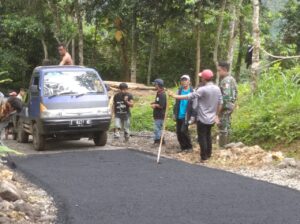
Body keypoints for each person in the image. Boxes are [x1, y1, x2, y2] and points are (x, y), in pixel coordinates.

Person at [169, 70, 223, 162]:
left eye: (201, 77)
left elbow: (189, 96)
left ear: (204, 79)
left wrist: (174, 96)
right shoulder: (217, 88)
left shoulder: (202, 89)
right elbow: (221, 103)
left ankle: (203, 157)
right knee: (208, 136)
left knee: (202, 138)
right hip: (212, 118)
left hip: (202, 118)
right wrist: (216, 115)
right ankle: (209, 154)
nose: (201, 78)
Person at [217, 61, 238, 147]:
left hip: (225, 107)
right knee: (227, 126)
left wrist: (219, 110)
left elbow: (225, 97)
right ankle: (228, 146)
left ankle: (223, 147)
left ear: (224, 69)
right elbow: (236, 93)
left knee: (223, 128)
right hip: (230, 106)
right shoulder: (232, 79)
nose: (218, 72)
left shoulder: (226, 81)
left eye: (219, 70)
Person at [173, 74, 195, 152]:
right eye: (182, 80)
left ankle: (189, 147)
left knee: (183, 131)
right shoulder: (179, 90)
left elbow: (194, 105)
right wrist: (174, 113)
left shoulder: (193, 91)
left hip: (187, 115)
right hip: (179, 114)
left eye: (185, 80)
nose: (184, 82)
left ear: (189, 82)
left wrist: (193, 116)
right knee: (178, 132)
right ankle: (183, 147)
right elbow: (175, 103)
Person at [151, 79, 167, 145]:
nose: (154, 85)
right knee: (157, 128)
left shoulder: (162, 94)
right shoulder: (158, 93)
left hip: (160, 115)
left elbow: (161, 105)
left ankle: (158, 141)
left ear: (158, 85)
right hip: (157, 114)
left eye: (155, 84)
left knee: (157, 128)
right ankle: (160, 141)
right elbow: (158, 101)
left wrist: (155, 105)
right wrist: (154, 102)